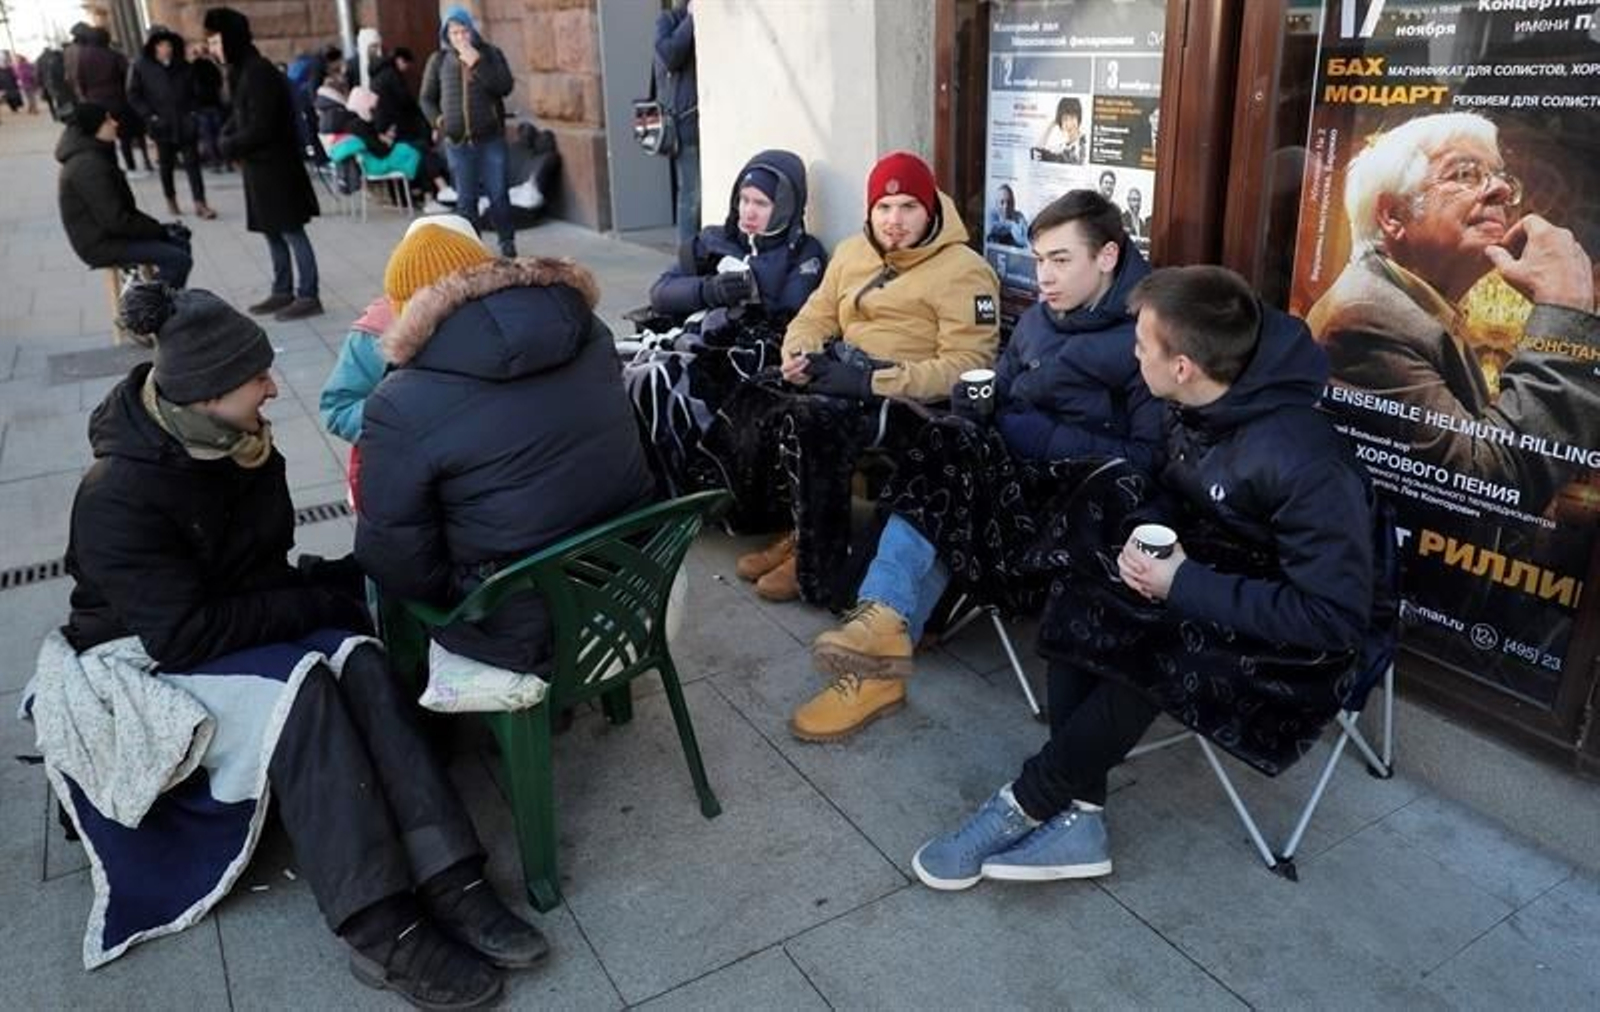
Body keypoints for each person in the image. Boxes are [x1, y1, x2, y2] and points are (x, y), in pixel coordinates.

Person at [49, 281, 545, 1004]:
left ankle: (452, 874)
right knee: (307, 688)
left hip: (233, 617)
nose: (273, 388)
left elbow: (261, 572)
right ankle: (379, 927)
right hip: (144, 653)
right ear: (209, 393)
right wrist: (312, 601)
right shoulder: (118, 492)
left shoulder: (245, 449)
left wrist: (339, 589)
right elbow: (182, 634)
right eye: (256, 378)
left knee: (362, 654)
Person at [910, 265, 1376, 890]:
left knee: (1151, 648)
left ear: (1182, 365)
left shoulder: (1305, 460)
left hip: (1297, 639)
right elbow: (1171, 487)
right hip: (1217, 567)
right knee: (1084, 582)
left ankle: (1030, 801)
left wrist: (1182, 585)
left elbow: (1335, 618)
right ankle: (1083, 816)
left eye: (1141, 347)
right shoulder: (1198, 402)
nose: (1132, 356)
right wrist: (1148, 533)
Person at [791, 189, 1163, 741]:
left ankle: (878, 635)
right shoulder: (1041, 319)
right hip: (996, 478)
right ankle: (883, 635)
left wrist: (1038, 434)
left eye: (1061, 261)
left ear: (1107, 257)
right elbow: (1005, 394)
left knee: (942, 468)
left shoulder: (1148, 336)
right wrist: (980, 405)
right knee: (945, 449)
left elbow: (1148, 463)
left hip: (1069, 505)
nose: (1045, 277)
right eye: (1039, 260)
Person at [356, 220, 655, 674]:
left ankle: (420, 715)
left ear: (409, 312)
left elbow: (397, 564)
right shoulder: (586, 329)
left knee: (393, 581)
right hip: (631, 575)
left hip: (520, 628)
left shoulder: (400, 401)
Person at [735, 151, 1000, 605]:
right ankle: (801, 531)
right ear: (870, 210)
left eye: (908, 207)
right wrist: (800, 354)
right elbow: (814, 315)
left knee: (814, 423)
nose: (894, 220)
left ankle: (816, 566)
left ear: (931, 208)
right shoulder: (853, 252)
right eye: (884, 208)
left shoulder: (965, 270)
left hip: (910, 402)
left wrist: (867, 384)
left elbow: (965, 366)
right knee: (751, 393)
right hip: (844, 373)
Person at [1307, 111, 1600, 514]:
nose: (1500, 189)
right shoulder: (1365, 317)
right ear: (1393, 215)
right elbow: (1491, 484)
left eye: (1500, 176)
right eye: (1465, 174)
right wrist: (1564, 314)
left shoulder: (1406, 301)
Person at [631, 150, 828, 498]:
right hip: (683, 335)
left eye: (762, 203)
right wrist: (710, 289)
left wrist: (753, 286)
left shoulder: (803, 254)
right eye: (744, 200)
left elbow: (790, 312)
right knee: (625, 373)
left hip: (738, 355)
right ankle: (646, 487)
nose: (748, 212)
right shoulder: (711, 240)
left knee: (665, 381)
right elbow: (660, 293)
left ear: (785, 206)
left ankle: (680, 493)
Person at [204, 7, 324, 321]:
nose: (213, 49)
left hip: (277, 167)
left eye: (216, 42)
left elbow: (262, 125)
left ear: (231, 39)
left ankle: (308, 294)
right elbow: (239, 116)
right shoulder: (241, 70)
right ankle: (282, 289)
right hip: (259, 167)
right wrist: (226, 135)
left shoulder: (258, 71)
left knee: (291, 230)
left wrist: (229, 144)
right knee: (271, 230)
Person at [57, 102, 192, 288]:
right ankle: (147, 309)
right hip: (100, 243)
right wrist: (157, 231)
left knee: (180, 241)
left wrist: (158, 229)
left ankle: (166, 303)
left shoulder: (94, 152)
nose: (115, 123)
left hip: (110, 233)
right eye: (107, 120)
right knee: (178, 259)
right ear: (94, 128)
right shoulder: (88, 166)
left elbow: (120, 214)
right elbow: (116, 220)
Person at [421, 6, 518, 257]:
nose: (460, 37)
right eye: (454, 33)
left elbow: (504, 86)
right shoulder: (439, 60)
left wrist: (478, 64)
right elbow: (426, 99)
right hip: (458, 143)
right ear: (447, 35)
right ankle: (473, 252)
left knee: (498, 196)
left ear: (472, 31)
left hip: (490, 139)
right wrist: (441, 123)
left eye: (464, 31)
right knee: (466, 201)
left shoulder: (491, 54)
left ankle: (507, 245)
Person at [127, 25, 216, 220]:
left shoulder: (182, 65)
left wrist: (193, 113)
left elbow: (195, 90)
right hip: (161, 125)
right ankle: (171, 199)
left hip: (185, 122)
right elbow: (133, 95)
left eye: (168, 44)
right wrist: (150, 116)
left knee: (193, 163)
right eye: (161, 45)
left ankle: (200, 203)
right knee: (166, 165)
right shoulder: (141, 66)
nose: (165, 48)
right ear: (153, 47)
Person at [68, 23, 152, 175]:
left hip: (95, 102)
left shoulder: (83, 57)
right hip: (117, 100)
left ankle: (112, 165)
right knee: (124, 134)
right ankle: (135, 165)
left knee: (103, 137)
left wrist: (87, 96)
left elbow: (80, 80)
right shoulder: (114, 55)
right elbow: (127, 77)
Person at [655, 1, 700, 249]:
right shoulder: (669, 19)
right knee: (692, 195)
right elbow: (670, 56)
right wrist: (691, 19)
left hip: (706, 118)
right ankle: (687, 255)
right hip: (686, 122)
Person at [370, 46, 430, 145]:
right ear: (400, 60)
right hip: (394, 122)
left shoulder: (378, 73)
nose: (407, 68)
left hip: (382, 120)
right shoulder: (392, 74)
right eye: (407, 64)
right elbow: (405, 98)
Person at [188, 42, 227, 170]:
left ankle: (215, 161)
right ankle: (226, 160)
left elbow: (190, 87)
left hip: (201, 105)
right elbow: (219, 82)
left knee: (208, 135)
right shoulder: (211, 66)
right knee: (218, 132)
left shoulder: (193, 67)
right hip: (214, 103)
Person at [1033, 97, 1085, 164]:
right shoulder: (1062, 146)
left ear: (1079, 118)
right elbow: (1037, 151)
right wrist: (1051, 126)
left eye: (1072, 118)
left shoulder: (1083, 144)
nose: (1069, 124)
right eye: (1065, 119)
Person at [986, 183, 1028, 247]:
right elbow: (990, 229)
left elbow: (1024, 241)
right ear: (996, 204)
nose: (1005, 206)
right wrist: (1011, 225)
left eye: (1009, 202)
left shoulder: (1019, 216)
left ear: (1013, 203)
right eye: (1002, 202)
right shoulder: (991, 215)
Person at [38, 45, 69, 120]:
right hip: (58, 83)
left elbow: (38, 73)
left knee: (50, 102)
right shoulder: (55, 57)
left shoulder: (39, 59)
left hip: (46, 83)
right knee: (60, 100)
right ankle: (63, 115)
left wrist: (40, 84)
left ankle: (54, 115)